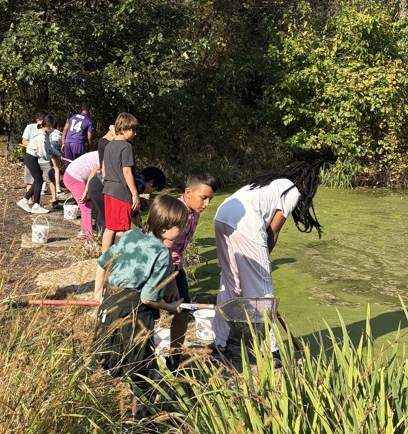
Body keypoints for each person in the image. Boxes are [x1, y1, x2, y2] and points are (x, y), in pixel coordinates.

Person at [211, 161, 322, 362]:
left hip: (222, 215)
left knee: (229, 283)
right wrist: (261, 264)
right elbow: (273, 230)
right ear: (306, 182)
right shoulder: (292, 190)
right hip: (246, 223)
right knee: (261, 291)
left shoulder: (269, 183)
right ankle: (271, 350)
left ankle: (219, 342)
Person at [93, 194, 189, 394]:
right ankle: (138, 420)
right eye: (180, 226)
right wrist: (171, 308)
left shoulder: (130, 235)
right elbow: (148, 297)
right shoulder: (162, 253)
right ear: (165, 228)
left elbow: (102, 263)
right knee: (144, 373)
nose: (182, 231)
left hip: (109, 306)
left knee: (107, 358)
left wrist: (98, 293)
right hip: (134, 315)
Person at [165, 170, 217, 361]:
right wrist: (170, 282)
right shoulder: (175, 213)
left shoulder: (193, 212)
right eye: (203, 198)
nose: (206, 204)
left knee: (184, 309)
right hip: (161, 267)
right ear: (188, 192)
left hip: (176, 265)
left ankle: (174, 356)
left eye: (210, 199)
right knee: (150, 312)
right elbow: (164, 248)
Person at [100, 112, 140, 253]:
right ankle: (117, 259)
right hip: (121, 193)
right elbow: (127, 172)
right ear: (123, 129)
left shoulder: (109, 145)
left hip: (108, 190)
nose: (134, 133)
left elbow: (103, 168)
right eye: (132, 130)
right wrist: (135, 194)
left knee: (110, 227)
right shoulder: (126, 147)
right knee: (122, 229)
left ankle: (104, 257)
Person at [17, 116, 55, 213]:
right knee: (39, 180)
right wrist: (51, 157)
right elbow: (43, 153)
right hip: (31, 158)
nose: (51, 128)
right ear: (46, 125)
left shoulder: (45, 134)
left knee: (39, 180)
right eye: (51, 126)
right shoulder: (41, 136)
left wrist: (59, 154)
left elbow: (49, 148)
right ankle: (36, 205)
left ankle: (24, 200)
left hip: (33, 158)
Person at [64, 149, 100, 240]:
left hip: (75, 175)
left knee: (88, 203)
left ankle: (84, 232)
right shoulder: (104, 157)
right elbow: (92, 175)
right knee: (86, 206)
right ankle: (88, 236)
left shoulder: (105, 153)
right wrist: (85, 192)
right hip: (73, 177)